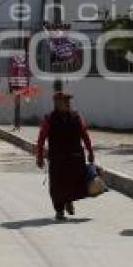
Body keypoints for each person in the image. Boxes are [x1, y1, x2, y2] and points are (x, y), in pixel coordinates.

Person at [35, 92, 94, 221]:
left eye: (68, 100)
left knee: (75, 182)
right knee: (57, 185)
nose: (67, 102)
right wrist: (39, 157)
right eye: (64, 100)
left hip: (75, 157)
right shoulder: (49, 118)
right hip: (57, 159)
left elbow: (85, 135)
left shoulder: (77, 116)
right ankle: (60, 210)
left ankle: (69, 200)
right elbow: (41, 139)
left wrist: (90, 151)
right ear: (56, 103)